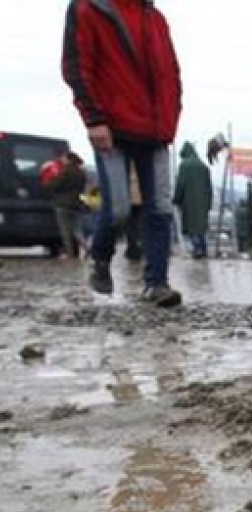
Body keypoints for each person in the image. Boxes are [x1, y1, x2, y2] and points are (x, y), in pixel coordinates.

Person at [61, 0, 184, 307]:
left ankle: (156, 283)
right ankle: (100, 258)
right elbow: (77, 67)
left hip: (156, 129)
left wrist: (172, 115)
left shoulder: (154, 17)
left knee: (161, 209)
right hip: (111, 126)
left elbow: (170, 71)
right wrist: (93, 119)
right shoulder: (89, 8)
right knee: (118, 209)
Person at [42, 151, 88, 259]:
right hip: (76, 204)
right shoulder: (81, 172)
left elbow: (55, 185)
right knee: (77, 229)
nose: (62, 160)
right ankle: (87, 248)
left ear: (69, 159)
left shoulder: (65, 171)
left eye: (64, 158)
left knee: (65, 231)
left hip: (62, 204)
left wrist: (47, 182)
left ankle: (70, 253)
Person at [173, 141, 213, 259]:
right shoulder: (204, 167)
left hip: (188, 203)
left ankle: (197, 248)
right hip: (203, 203)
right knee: (201, 227)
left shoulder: (184, 166)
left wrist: (176, 199)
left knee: (191, 228)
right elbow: (209, 188)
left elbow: (180, 184)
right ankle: (203, 249)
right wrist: (209, 204)